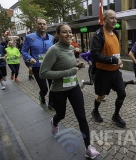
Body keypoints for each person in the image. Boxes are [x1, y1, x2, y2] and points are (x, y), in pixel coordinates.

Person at [39, 23, 100, 159]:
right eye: (65, 32)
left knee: (82, 117)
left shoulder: (71, 48)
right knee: (61, 115)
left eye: (70, 32)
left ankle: (88, 148)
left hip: (74, 87)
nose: (69, 34)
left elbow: (68, 65)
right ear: (58, 34)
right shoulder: (53, 50)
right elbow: (43, 73)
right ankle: (54, 122)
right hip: (58, 90)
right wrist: (69, 71)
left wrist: (78, 65)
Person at [91, 9, 126, 128]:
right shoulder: (98, 35)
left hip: (115, 72)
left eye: (115, 18)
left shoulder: (115, 33)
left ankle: (116, 115)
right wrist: (114, 60)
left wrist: (118, 61)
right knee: (101, 96)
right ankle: (95, 111)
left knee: (122, 93)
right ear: (104, 19)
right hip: (103, 72)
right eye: (111, 18)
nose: (114, 20)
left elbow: (115, 51)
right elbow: (95, 55)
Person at [21, 17, 54, 110]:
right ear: (36, 25)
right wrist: (29, 58)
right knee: (44, 89)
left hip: (50, 66)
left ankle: (51, 103)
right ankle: (42, 97)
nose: (42, 25)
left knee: (53, 87)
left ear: (46, 25)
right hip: (37, 67)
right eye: (40, 24)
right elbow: (23, 51)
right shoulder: (29, 37)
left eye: (44, 24)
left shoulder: (51, 38)